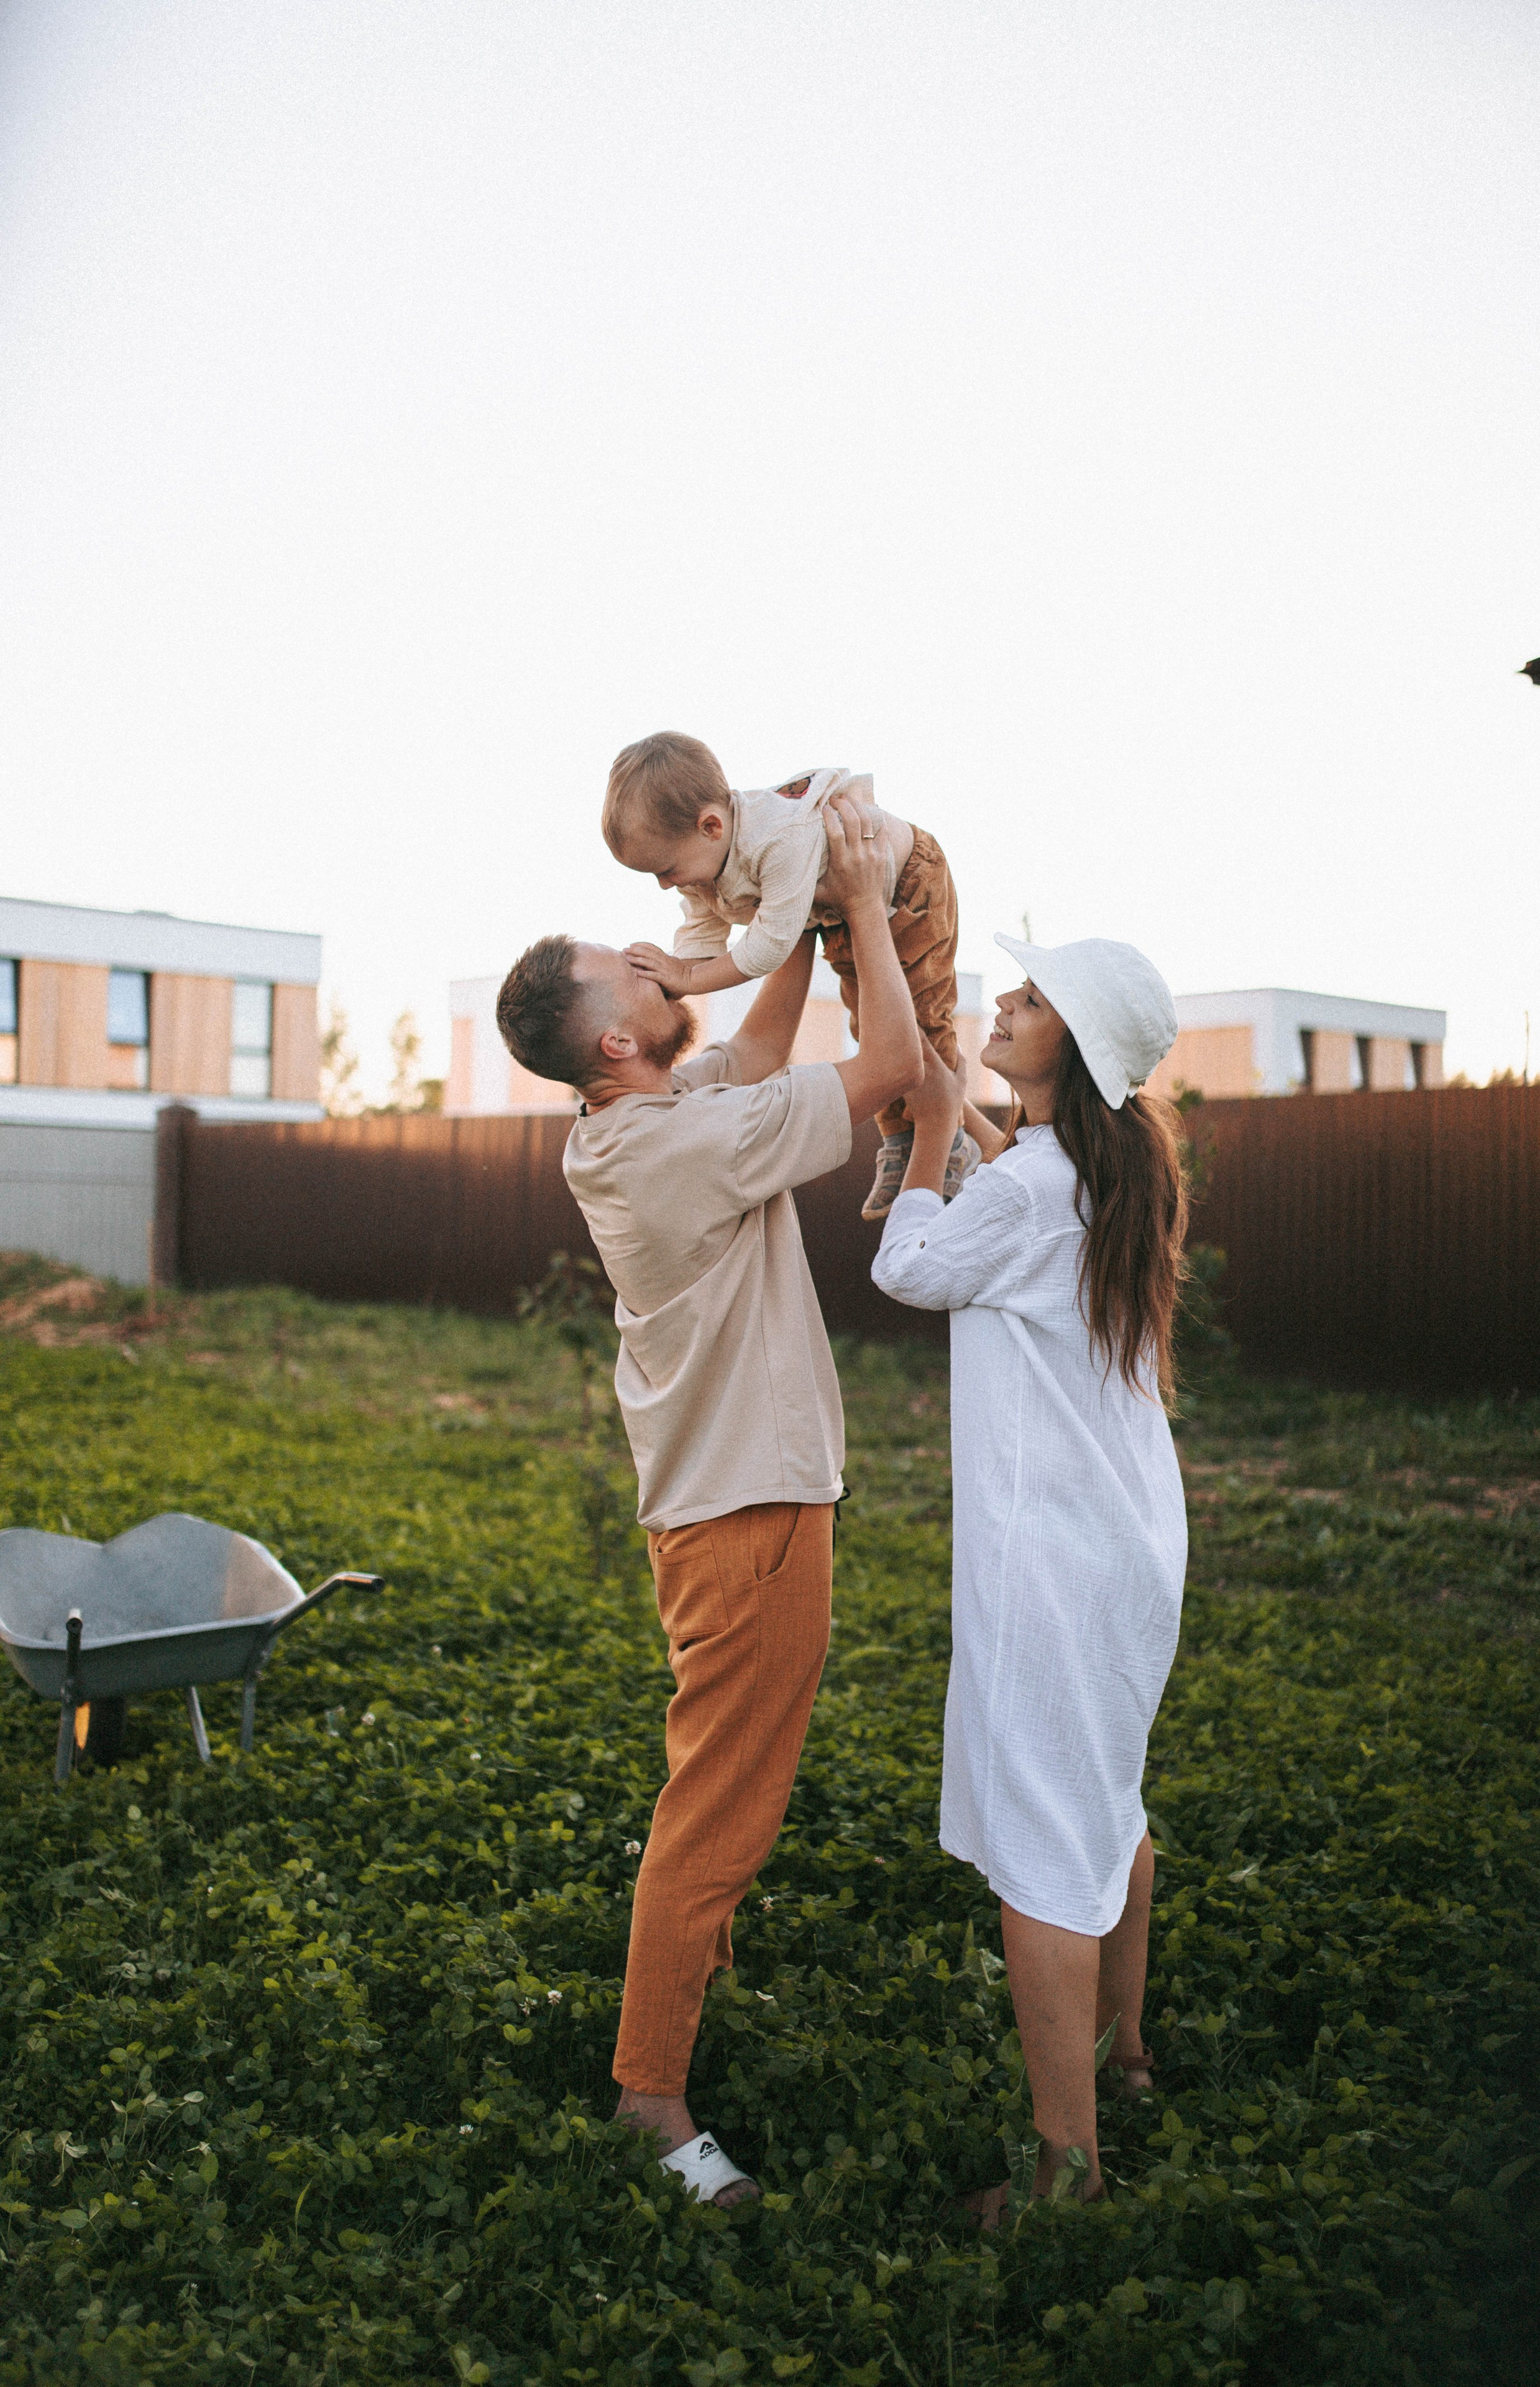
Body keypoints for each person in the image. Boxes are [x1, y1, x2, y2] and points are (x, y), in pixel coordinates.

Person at [494, 798, 921, 2210]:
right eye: (628, 969)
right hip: (747, 1518)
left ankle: (690, 1986)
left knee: (725, 1787)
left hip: (733, 1503)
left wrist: (789, 909)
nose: (648, 953)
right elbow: (890, 1066)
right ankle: (649, 2095)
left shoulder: (651, 1116)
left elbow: (760, 1047)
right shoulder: (673, 1146)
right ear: (613, 1038)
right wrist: (858, 896)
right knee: (717, 1808)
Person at [871, 932, 1188, 2219]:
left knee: (1040, 1859)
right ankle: (1122, 2061)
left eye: (1029, 998)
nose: (1002, 1002)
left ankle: (1063, 2175)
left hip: (1048, 1568)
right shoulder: (1100, 1179)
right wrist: (968, 1124)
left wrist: (932, 1121)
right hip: (1127, 1552)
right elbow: (1012, 1202)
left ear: (1075, 1047)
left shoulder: (1024, 1189)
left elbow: (905, 1265)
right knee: (1106, 1806)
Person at [601, 729, 979, 1218]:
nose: (664, 884)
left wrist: (689, 980)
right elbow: (699, 938)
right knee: (872, 1027)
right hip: (844, 910)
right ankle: (907, 1140)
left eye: (666, 870)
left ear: (711, 826)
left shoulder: (776, 842)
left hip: (905, 887)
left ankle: (942, 1143)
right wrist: (668, 984)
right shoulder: (702, 861)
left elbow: (770, 944)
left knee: (921, 1014)